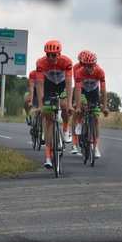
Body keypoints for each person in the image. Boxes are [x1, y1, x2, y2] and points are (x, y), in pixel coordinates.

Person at [35, 40, 74, 169]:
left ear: (59, 54)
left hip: (62, 86)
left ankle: (66, 128)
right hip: (49, 86)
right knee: (48, 117)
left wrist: (69, 104)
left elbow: (69, 83)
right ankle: (47, 156)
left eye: (54, 55)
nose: (51, 58)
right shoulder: (41, 63)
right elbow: (40, 84)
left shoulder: (66, 62)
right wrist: (40, 105)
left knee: (63, 106)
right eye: (49, 55)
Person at [72, 50, 109, 158]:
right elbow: (77, 89)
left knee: (96, 118)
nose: (89, 68)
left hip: (93, 92)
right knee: (81, 107)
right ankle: (79, 123)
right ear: (83, 65)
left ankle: (95, 147)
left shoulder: (100, 71)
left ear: (95, 64)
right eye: (87, 66)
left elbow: (103, 90)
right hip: (82, 92)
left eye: (91, 65)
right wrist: (78, 106)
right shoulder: (79, 72)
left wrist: (105, 106)